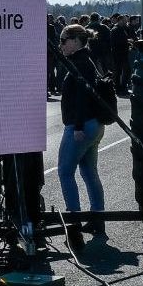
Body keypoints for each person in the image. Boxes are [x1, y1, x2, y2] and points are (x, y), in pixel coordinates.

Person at [57, 23, 106, 234]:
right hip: (94, 124)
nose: (61, 45)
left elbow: (81, 97)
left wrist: (77, 126)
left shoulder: (80, 63)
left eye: (63, 40)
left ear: (76, 41)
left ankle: (74, 221)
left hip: (81, 125)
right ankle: (97, 218)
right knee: (88, 172)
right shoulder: (87, 60)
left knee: (65, 172)